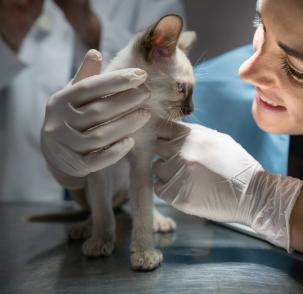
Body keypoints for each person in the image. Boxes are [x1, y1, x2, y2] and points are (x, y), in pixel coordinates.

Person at [40, 0, 303, 292]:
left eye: (296, 69)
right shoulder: (213, 89)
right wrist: (68, 164)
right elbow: (107, 177)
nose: (246, 70)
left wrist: (266, 199)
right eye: (260, 25)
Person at [0, 0, 185, 202]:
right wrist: (10, 36)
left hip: (129, 198)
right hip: (24, 193)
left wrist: (89, 25)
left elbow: (170, 83)